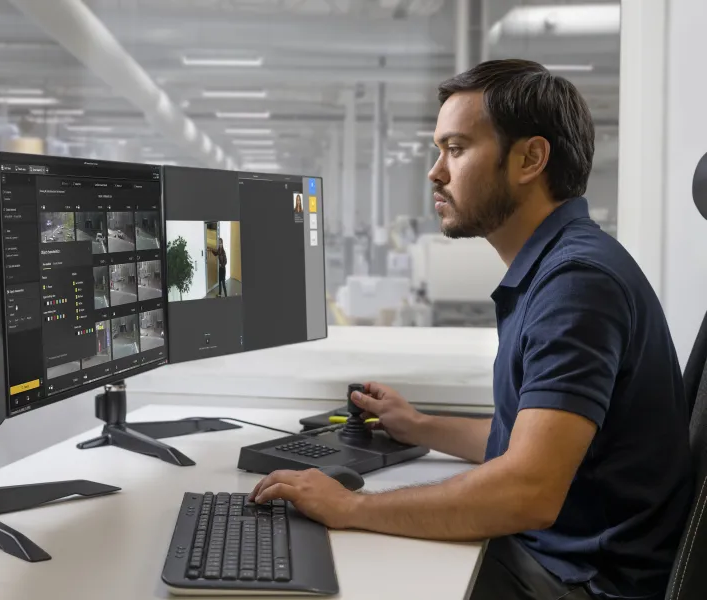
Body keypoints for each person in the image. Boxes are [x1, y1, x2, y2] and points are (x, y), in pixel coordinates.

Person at [248, 59, 695, 600]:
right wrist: (420, 426)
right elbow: (526, 446)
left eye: (456, 149)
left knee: (334, 566)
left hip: (584, 582)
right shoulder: (557, 267)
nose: (435, 172)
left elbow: (527, 490)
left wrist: (351, 506)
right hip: (560, 558)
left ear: (530, 159)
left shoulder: (576, 284)